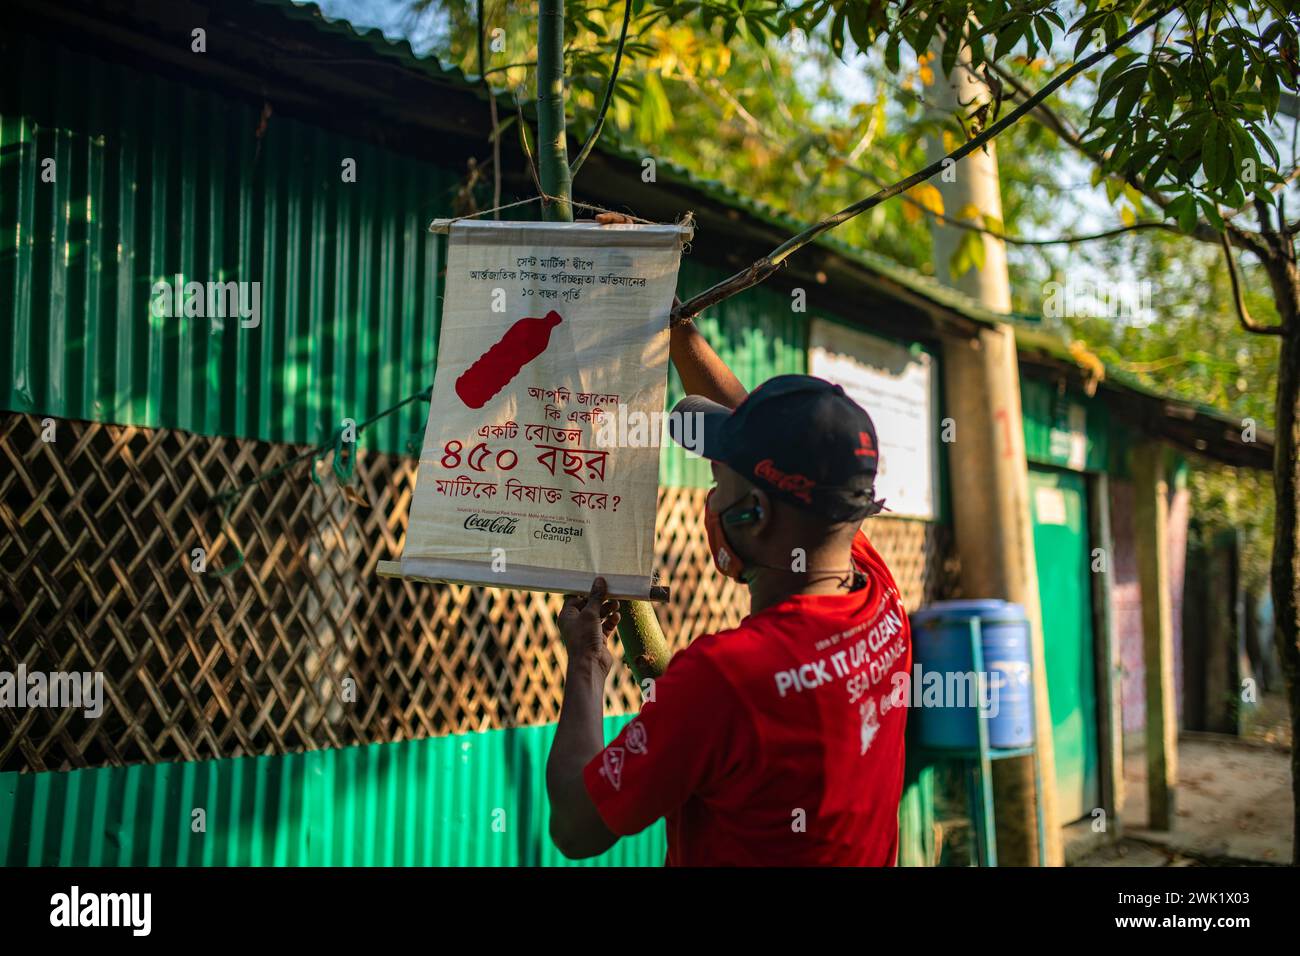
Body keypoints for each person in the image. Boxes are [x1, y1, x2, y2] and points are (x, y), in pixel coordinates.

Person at [545, 311, 912, 866]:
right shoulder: (876, 593)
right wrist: (668, 319)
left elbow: (576, 825)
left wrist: (585, 662)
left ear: (754, 514)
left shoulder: (726, 680)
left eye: (718, 481)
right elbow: (767, 438)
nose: (712, 499)